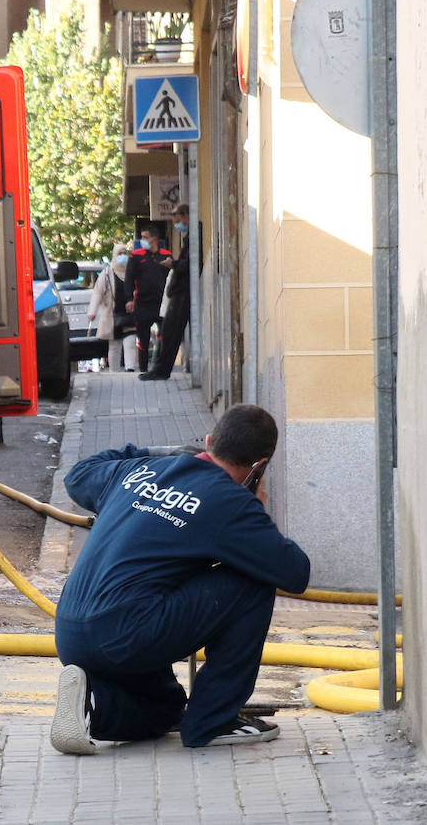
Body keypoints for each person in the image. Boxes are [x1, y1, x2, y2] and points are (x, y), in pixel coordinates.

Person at [49, 404, 310, 752]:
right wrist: (256, 511)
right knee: (254, 580)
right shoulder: (230, 501)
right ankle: (212, 721)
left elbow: (79, 474)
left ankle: (94, 705)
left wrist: (158, 454)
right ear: (260, 466)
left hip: (71, 633)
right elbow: (294, 571)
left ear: (209, 440)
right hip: (126, 633)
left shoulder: (137, 470)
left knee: (165, 711)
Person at [142, 205, 191, 381]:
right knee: (169, 331)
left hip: (183, 290)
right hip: (179, 289)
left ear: (186, 216)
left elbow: (189, 264)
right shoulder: (189, 235)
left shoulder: (195, 234)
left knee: (172, 331)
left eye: (178, 220)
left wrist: (174, 264)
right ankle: (160, 368)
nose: (177, 224)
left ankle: (162, 370)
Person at [129, 225, 172, 373]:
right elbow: (129, 279)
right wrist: (129, 299)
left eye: (145, 237)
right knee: (143, 337)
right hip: (142, 303)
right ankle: (143, 368)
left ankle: (160, 366)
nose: (143, 240)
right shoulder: (136, 256)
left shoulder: (166, 255)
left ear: (154, 238)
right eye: (142, 237)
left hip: (162, 303)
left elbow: (172, 277)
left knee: (164, 335)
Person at [86, 244, 133, 371]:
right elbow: (97, 292)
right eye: (120, 253)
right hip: (113, 315)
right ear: (114, 255)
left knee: (130, 340)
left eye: (125, 253)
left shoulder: (131, 271)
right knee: (115, 344)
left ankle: (130, 369)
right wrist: (92, 311)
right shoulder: (107, 273)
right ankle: (114, 371)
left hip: (130, 312)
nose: (123, 256)